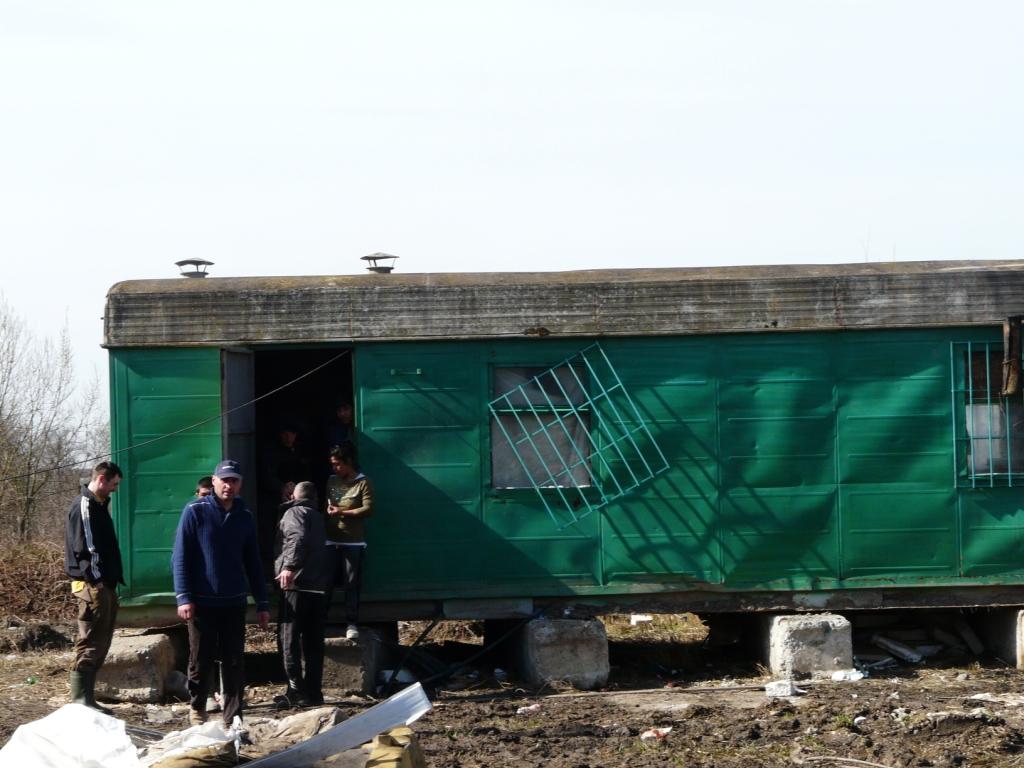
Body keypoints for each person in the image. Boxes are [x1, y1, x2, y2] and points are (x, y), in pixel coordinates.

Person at [172, 459, 270, 728]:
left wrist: (262, 602)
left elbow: (253, 562)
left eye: (234, 481)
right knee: (200, 659)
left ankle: (233, 717)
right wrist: (184, 596)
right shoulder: (195, 511)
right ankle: (197, 708)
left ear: (240, 484)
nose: (229, 485)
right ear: (214, 481)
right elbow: (180, 557)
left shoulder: (244, 515)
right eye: (224, 480)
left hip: (233, 601)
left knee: (234, 661)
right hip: (202, 602)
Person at [64, 461, 124, 714]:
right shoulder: (85, 506)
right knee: (90, 640)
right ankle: (80, 700)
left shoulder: (98, 506)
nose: (114, 490)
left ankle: (87, 698)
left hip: (104, 584)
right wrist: (97, 580)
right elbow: (85, 548)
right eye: (113, 484)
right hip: (92, 585)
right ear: (101, 479)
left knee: (102, 641)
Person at [273, 481, 328, 707]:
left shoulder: (294, 513)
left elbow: (297, 538)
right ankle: (314, 692)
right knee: (314, 643)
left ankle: (296, 691)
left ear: (294, 496)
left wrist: (289, 567)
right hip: (317, 586)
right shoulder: (318, 517)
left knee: (289, 640)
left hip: (296, 585)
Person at [324, 443, 374, 640]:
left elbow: (368, 509)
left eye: (338, 464)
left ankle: (351, 623)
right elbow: (327, 504)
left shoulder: (363, 482)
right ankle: (321, 621)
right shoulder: (331, 480)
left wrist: (342, 512)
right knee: (326, 583)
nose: (335, 468)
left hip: (353, 541)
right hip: (331, 539)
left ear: (348, 462)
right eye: (333, 464)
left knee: (351, 583)